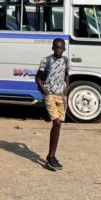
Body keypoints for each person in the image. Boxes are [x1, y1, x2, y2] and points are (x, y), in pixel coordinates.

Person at [35, 38, 69, 172]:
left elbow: (67, 74)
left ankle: (52, 155)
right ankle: (50, 157)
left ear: (64, 49)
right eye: (56, 47)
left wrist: (66, 89)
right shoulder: (46, 60)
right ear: (52, 48)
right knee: (57, 123)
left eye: (60, 48)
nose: (58, 50)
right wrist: (45, 92)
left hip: (60, 96)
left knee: (58, 125)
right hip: (50, 95)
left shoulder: (66, 60)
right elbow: (38, 78)